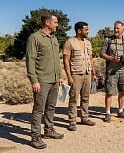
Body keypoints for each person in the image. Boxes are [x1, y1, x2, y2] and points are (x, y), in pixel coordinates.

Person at [26, 12, 64, 149]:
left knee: (51, 107)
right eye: (55, 22)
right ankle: (35, 137)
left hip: (54, 79)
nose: (57, 25)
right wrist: (34, 80)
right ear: (47, 22)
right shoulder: (35, 38)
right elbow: (30, 60)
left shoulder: (54, 38)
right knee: (38, 109)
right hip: (41, 80)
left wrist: (59, 75)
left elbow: (56, 60)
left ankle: (49, 130)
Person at [63, 21, 97, 131]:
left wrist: (93, 73)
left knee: (86, 97)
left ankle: (84, 117)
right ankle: (72, 121)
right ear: (79, 31)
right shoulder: (70, 42)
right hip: (76, 74)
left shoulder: (88, 43)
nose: (88, 32)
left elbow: (91, 59)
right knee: (73, 98)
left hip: (88, 73)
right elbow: (66, 60)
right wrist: (69, 76)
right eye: (86, 30)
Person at [100, 20, 124, 122]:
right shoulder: (108, 40)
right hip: (111, 71)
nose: (116, 30)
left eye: (118, 28)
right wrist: (112, 58)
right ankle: (108, 113)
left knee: (122, 91)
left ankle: (120, 111)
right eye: (115, 28)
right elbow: (101, 54)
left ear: (123, 29)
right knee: (109, 92)